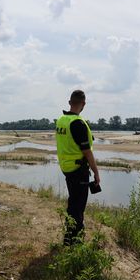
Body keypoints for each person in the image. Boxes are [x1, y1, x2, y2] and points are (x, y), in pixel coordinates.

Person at [55, 89, 100, 245]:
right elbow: (87, 151)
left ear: (69, 102)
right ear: (84, 104)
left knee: (73, 202)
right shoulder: (78, 123)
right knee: (78, 206)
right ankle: (75, 242)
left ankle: (69, 237)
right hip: (78, 170)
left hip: (66, 168)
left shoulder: (61, 120)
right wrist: (96, 172)